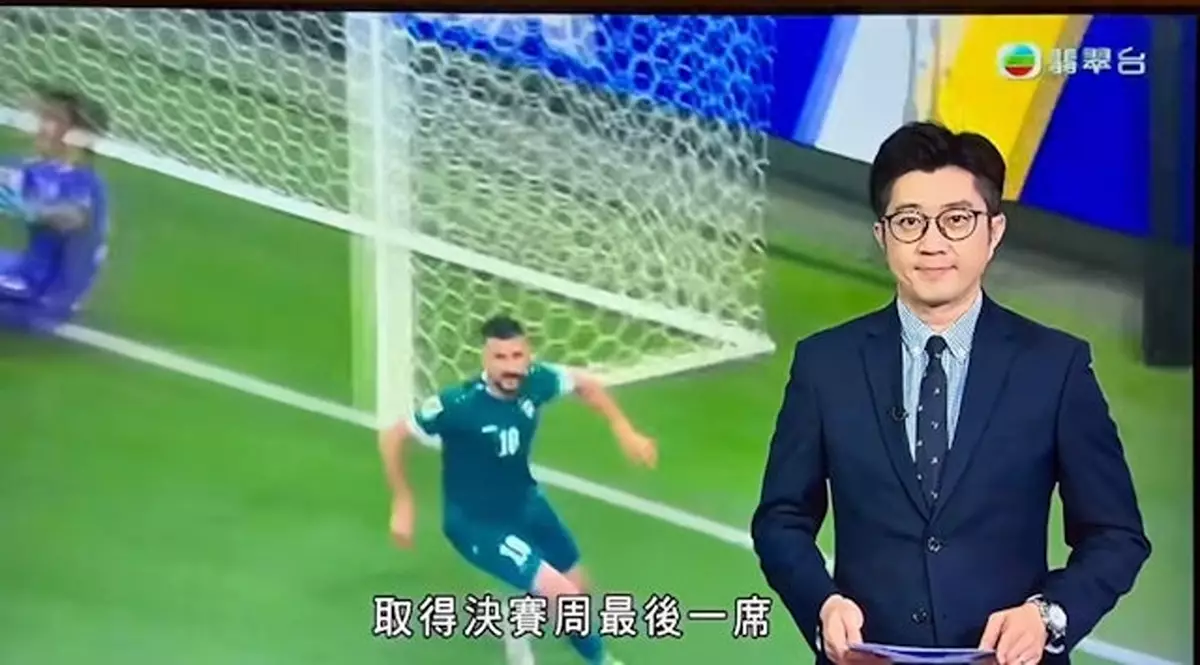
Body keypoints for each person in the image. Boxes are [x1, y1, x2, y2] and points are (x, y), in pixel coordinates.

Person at [750, 122, 1150, 665]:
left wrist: (1048, 615)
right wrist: (822, 605)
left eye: (957, 220)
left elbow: (1116, 535)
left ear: (994, 231)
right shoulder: (826, 365)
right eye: (909, 221)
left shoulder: (1056, 369)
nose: (933, 242)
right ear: (882, 236)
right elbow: (781, 519)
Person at [379, 315, 657, 665]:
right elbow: (394, 436)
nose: (511, 367)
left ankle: (520, 617)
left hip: (526, 504)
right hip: (478, 524)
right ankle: (602, 660)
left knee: (579, 591)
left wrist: (624, 429)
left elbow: (585, 384)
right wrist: (403, 500)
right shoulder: (458, 406)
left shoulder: (536, 381)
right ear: (485, 359)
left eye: (517, 356)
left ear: (528, 355)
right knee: (565, 598)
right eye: (500, 357)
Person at [0, 84, 110, 333]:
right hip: (25, 270)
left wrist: (31, 211)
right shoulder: (41, 169)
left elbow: (75, 216)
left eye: (53, 119)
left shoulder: (83, 179)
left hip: (45, 294)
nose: (41, 126)